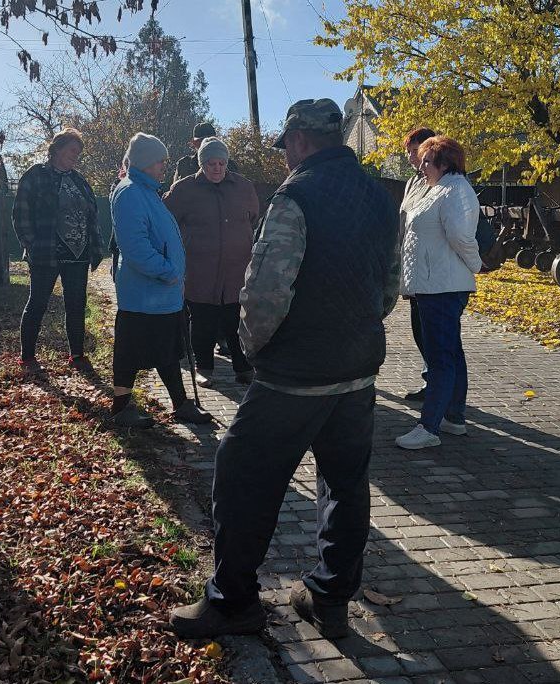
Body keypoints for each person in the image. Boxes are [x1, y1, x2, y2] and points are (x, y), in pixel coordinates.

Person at [169, 99, 399, 639]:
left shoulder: (295, 195)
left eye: (286, 144)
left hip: (296, 373)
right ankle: (330, 598)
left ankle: (232, 602)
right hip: (359, 370)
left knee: (242, 475)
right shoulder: (381, 196)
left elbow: (266, 287)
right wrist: (355, 329)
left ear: (298, 139)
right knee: (345, 483)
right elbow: (389, 284)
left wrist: (253, 349)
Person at [109, 133, 212, 428]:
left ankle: (180, 404)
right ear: (144, 161)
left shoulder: (148, 191)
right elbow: (136, 248)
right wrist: (169, 272)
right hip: (143, 295)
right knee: (130, 353)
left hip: (163, 294)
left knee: (167, 350)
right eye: (160, 161)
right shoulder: (129, 192)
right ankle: (120, 409)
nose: (164, 166)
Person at [394, 135, 481, 450]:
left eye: (427, 161)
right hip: (432, 284)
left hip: (444, 286)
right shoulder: (437, 188)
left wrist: (476, 265)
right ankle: (454, 417)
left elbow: (461, 236)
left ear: (445, 163)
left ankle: (428, 426)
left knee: (441, 357)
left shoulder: (456, 190)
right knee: (449, 352)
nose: (422, 166)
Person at [163, 137, 260, 387]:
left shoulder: (244, 187)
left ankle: (244, 367)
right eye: (210, 163)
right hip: (200, 270)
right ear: (201, 164)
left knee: (236, 321)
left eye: (220, 163)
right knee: (203, 321)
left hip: (236, 270)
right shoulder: (184, 189)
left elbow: (253, 219)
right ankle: (203, 367)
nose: (216, 168)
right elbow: (166, 221)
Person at [14, 128, 104, 377]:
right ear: (56, 148)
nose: (76, 156)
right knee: (38, 303)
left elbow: (92, 217)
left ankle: (76, 355)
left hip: (78, 256)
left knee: (77, 305)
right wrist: (31, 244)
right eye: (72, 150)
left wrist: (94, 248)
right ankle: (28, 357)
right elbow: (20, 214)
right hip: (45, 255)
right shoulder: (36, 176)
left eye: (78, 152)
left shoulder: (79, 181)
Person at [399, 127, 437, 403]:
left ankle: (442, 390)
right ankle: (431, 379)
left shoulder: (444, 183)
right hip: (413, 267)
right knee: (419, 330)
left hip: (433, 271)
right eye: (409, 152)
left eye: (414, 151)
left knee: (435, 335)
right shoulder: (414, 182)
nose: (411, 157)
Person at [171, 122, 240, 186]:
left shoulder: (230, 165)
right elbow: (176, 192)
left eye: (210, 140)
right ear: (194, 143)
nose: (206, 144)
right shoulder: (185, 164)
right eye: (202, 141)